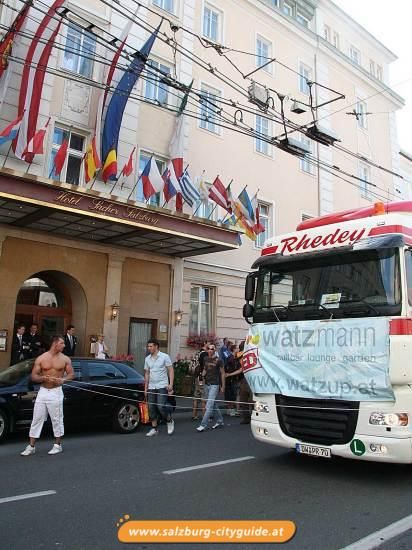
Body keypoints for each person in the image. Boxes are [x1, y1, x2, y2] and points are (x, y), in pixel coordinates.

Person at [21, 335, 74, 456]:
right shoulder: (41, 358)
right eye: (62, 343)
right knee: (37, 418)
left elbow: (71, 374)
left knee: (57, 419)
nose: (64, 345)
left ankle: (58, 445)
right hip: (43, 391)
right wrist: (42, 378)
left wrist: (63, 380)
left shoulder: (65, 359)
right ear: (55, 343)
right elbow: (33, 376)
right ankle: (31, 446)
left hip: (56, 392)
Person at [144, 338, 175, 437]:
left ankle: (169, 420)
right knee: (151, 407)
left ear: (156, 346)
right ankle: (154, 429)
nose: (149, 348)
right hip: (151, 386)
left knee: (160, 406)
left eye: (151, 346)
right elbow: (147, 373)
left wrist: (171, 385)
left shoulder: (164, 356)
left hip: (162, 385)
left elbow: (170, 370)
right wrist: (146, 388)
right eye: (148, 346)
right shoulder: (147, 359)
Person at [196, 343, 225, 432]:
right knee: (214, 404)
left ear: (215, 350)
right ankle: (220, 421)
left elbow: (223, 373)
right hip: (207, 384)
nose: (210, 350)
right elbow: (205, 369)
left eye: (212, 349)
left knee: (209, 406)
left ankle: (203, 425)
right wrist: (202, 376)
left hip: (214, 385)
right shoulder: (205, 358)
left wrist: (223, 386)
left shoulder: (219, 360)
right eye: (208, 348)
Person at [225, 341, 253, 424]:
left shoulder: (248, 355)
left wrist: (229, 374)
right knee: (243, 399)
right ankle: (247, 417)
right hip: (243, 379)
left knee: (250, 400)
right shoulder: (240, 355)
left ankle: (252, 417)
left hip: (250, 379)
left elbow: (241, 369)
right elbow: (240, 368)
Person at [191, 341, 208, 420]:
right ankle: (205, 416)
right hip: (202, 377)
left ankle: (194, 415)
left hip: (196, 377)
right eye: (208, 343)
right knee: (203, 397)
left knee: (196, 396)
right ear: (205, 344)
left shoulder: (197, 353)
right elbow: (205, 366)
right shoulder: (205, 354)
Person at [224, 343, 240, 417]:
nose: (238, 349)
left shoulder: (233, 357)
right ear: (234, 349)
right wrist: (230, 374)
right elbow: (230, 368)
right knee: (232, 394)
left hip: (231, 378)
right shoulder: (231, 358)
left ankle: (230, 410)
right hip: (231, 379)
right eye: (237, 348)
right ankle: (231, 410)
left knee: (231, 394)